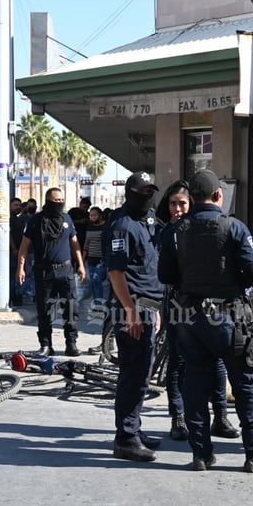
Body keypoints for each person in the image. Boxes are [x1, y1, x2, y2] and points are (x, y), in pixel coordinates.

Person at [159, 169, 253, 473]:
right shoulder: (234, 227)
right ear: (218, 195)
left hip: (191, 320)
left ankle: (201, 455)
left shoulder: (176, 231)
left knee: (194, 386)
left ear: (191, 198)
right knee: (247, 387)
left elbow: (165, 275)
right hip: (231, 319)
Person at [155, 179, 239, 443]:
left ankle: (221, 416)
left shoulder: (204, 227)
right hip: (179, 304)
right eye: (172, 203)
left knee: (218, 361)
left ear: (192, 203)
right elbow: (165, 273)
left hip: (211, 305)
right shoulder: (169, 232)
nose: (177, 208)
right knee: (178, 362)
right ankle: (178, 418)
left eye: (182, 203)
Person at [103, 171, 164, 463]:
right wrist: (131, 311)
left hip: (148, 307)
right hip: (133, 309)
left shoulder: (149, 220)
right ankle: (126, 438)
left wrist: (156, 309)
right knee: (133, 375)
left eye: (150, 191)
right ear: (129, 192)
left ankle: (133, 429)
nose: (146, 196)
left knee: (142, 373)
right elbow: (116, 272)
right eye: (140, 192)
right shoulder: (122, 225)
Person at [16, 187, 86, 357]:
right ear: (48, 201)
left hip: (66, 270)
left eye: (62, 200)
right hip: (44, 272)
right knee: (44, 311)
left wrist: (81, 265)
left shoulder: (67, 218)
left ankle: (71, 343)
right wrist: (21, 267)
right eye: (56, 201)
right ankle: (46, 344)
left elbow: (74, 243)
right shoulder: (35, 221)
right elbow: (24, 246)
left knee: (70, 309)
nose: (60, 203)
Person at [82, 205, 107, 308]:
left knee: (97, 280)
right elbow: (86, 244)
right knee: (92, 282)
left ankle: (99, 304)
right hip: (91, 259)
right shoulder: (89, 227)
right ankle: (96, 303)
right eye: (91, 215)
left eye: (95, 215)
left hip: (102, 260)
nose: (93, 217)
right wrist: (82, 261)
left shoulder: (105, 227)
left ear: (100, 215)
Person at [9, 197, 24, 306]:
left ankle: (17, 296)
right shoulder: (9, 219)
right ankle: (14, 296)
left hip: (19, 251)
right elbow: (8, 235)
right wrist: (13, 248)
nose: (18, 207)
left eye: (19, 205)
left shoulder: (17, 218)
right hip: (12, 252)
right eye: (15, 205)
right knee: (13, 275)